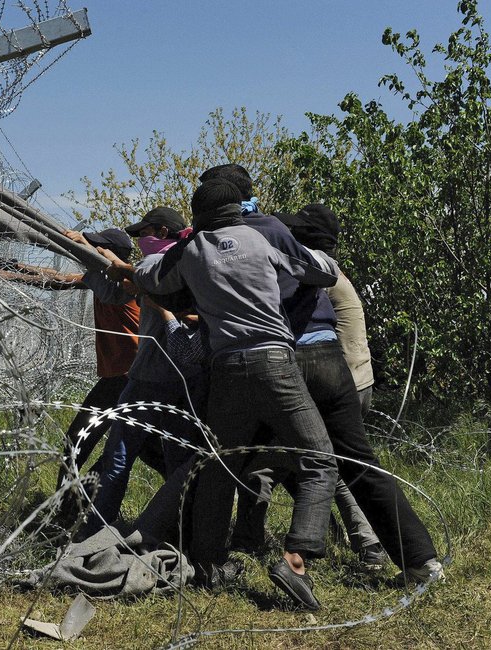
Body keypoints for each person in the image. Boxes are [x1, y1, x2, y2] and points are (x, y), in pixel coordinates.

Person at [199, 166, 443, 586]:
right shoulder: (274, 229)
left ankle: (215, 559)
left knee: (230, 460)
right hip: (328, 355)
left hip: (284, 358)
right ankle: (419, 560)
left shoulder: (223, 240)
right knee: (356, 461)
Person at [105, 179, 341, 610]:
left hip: (226, 370)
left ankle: (210, 563)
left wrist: (126, 269)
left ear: (199, 215)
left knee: (219, 465)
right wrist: (322, 251)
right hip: (274, 364)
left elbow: (153, 276)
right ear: (236, 208)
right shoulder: (259, 238)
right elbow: (322, 271)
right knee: (319, 458)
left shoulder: (192, 249)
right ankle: (295, 558)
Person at [0, 229, 163, 501]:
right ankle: (71, 504)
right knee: (142, 447)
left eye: (92, 248)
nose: (85, 252)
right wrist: (17, 270)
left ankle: (64, 506)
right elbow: (60, 279)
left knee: (78, 440)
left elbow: (100, 289)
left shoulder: (126, 285)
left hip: (127, 378)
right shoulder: (104, 279)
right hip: (124, 378)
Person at [81, 207, 208, 539]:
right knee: (179, 463)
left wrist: (88, 253)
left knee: (118, 459)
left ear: (163, 233)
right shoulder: (194, 264)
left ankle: (95, 532)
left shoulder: (154, 266)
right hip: (187, 379)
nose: (140, 240)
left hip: (149, 377)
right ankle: (182, 533)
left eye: (144, 233)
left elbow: (113, 289)